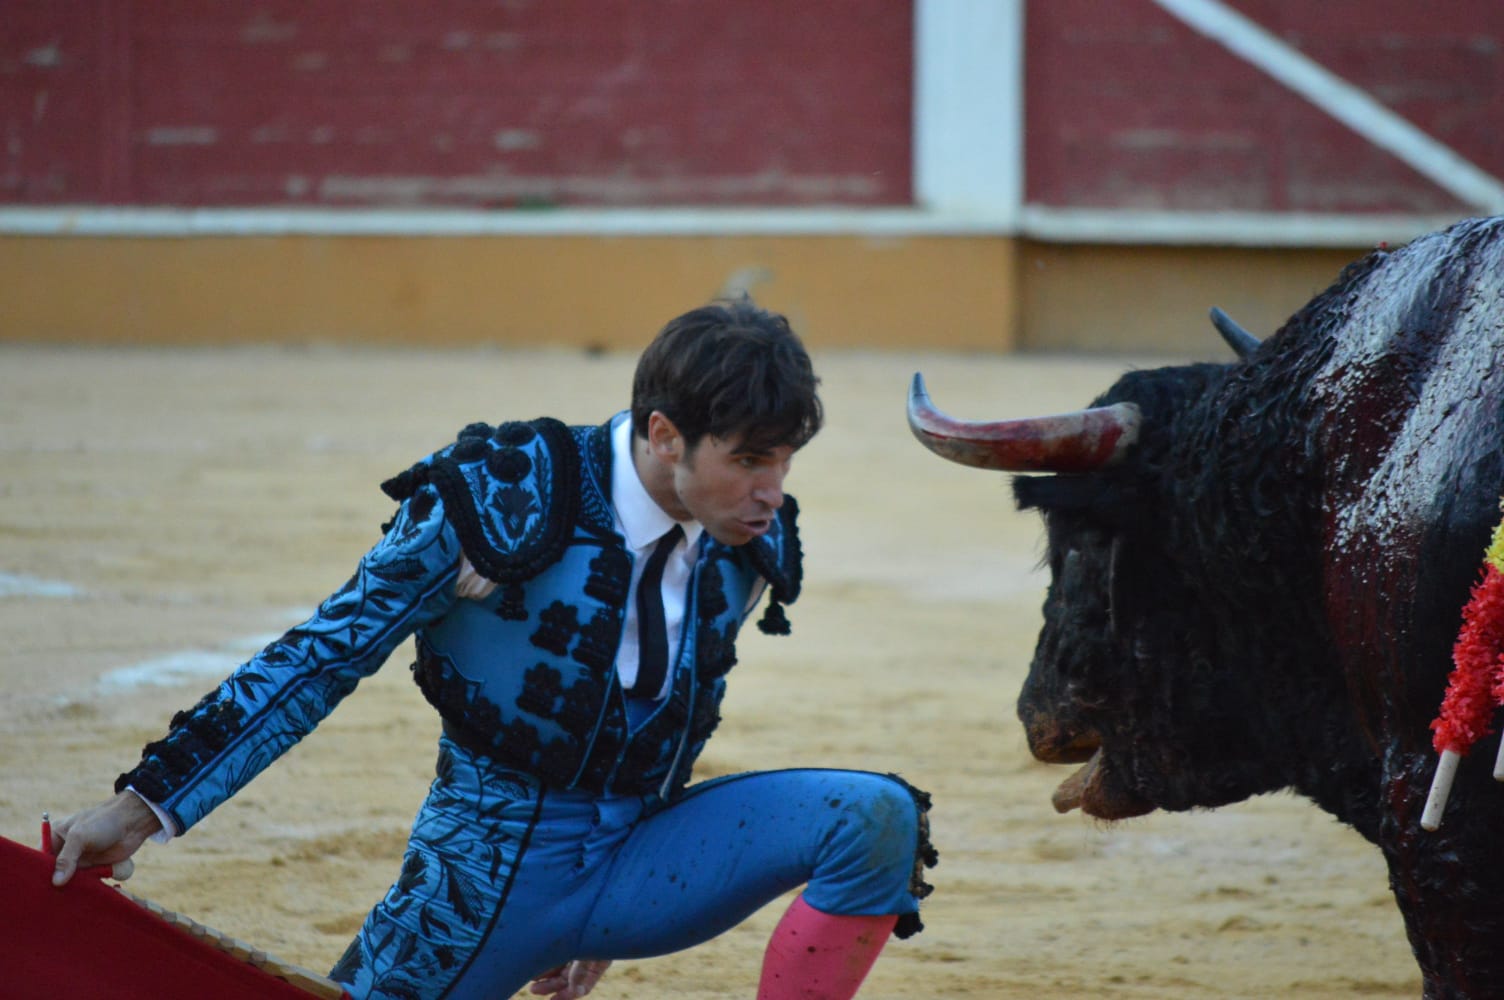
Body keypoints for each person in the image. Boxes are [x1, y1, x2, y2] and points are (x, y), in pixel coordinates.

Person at [48, 298, 937, 1000]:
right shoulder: (498, 504)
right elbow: (320, 657)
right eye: (748, 460)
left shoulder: (747, 541)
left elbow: (681, 706)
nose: (772, 492)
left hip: (640, 854)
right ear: (665, 435)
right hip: (485, 874)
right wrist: (140, 810)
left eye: (784, 461)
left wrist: (610, 935)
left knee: (875, 820)